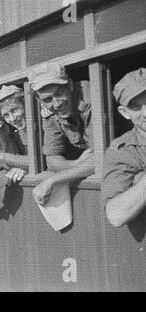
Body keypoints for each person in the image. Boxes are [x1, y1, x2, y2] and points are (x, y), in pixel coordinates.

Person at [27, 62, 95, 206]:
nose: (56, 104)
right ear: (39, 101)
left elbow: (100, 159)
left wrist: (52, 180)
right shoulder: (50, 112)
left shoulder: (91, 97)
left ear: (70, 85)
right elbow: (52, 160)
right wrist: (77, 163)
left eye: (59, 93)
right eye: (47, 99)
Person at [101, 68, 146, 228]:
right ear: (125, 113)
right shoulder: (122, 151)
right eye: (136, 107)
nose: (145, 112)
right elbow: (116, 215)